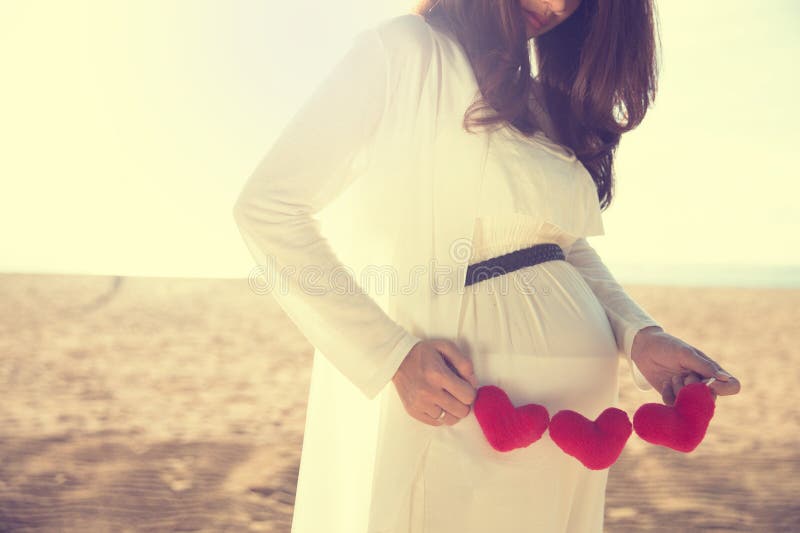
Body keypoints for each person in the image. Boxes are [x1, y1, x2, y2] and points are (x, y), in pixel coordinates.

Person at [232, 1, 742, 532]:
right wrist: (390, 357)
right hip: (460, 417)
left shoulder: (541, 101)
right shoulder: (404, 51)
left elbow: (559, 247)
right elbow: (267, 208)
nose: (560, 5)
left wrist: (639, 335)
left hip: (573, 439)